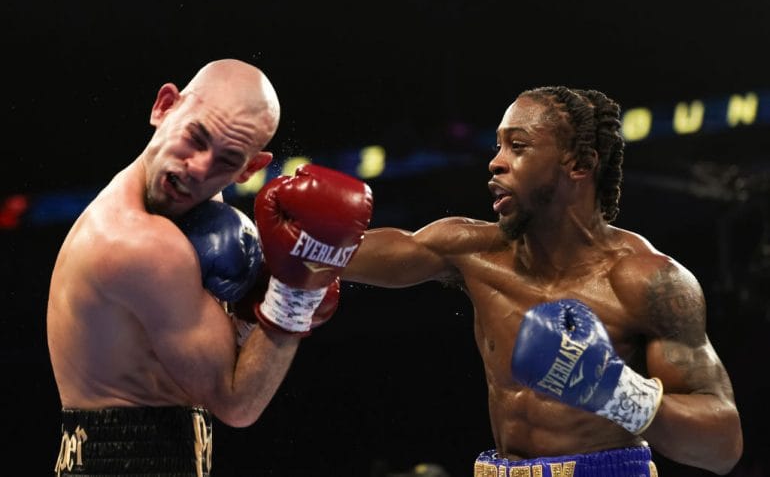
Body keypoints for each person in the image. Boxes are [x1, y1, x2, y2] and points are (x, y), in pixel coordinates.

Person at [343, 86, 743, 476]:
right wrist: (311, 233)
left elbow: (722, 445)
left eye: (517, 146)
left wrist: (614, 390)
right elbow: (346, 255)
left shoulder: (648, 281)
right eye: (498, 146)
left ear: (579, 165)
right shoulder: (471, 250)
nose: (495, 162)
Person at [47, 59, 372, 476]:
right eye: (195, 137)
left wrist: (261, 304)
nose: (199, 168)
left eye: (227, 159)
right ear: (164, 107)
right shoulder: (141, 242)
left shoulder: (196, 209)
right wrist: (296, 294)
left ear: (249, 169)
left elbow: (215, 348)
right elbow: (237, 404)